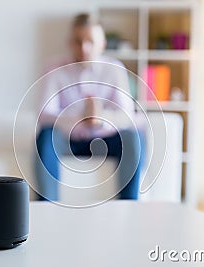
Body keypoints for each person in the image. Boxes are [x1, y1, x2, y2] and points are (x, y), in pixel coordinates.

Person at [35, 13, 144, 202]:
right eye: (78, 41)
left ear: (102, 44)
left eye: (90, 41)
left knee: (133, 137)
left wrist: (100, 118)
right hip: (68, 141)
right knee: (45, 136)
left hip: (106, 141)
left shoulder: (115, 69)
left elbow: (126, 116)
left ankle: (130, 205)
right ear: (70, 42)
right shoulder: (54, 69)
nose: (84, 48)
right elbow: (44, 115)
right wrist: (80, 119)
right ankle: (47, 206)